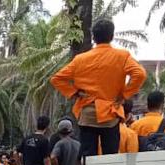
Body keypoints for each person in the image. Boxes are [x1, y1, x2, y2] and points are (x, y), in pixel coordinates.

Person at [50, 19, 146, 157]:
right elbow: (140, 74)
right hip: (110, 114)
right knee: (111, 157)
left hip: (87, 114)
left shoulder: (80, 59)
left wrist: (74, 93)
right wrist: (124, 95)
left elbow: (57, 78)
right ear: (112, 36)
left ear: (93, 37)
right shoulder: (122, 56)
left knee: (88, 157)